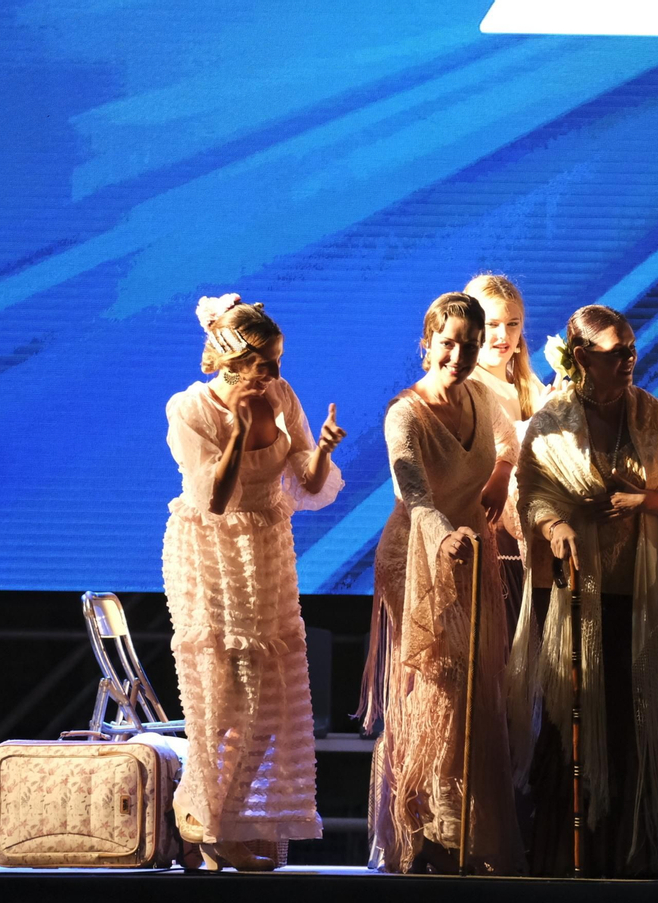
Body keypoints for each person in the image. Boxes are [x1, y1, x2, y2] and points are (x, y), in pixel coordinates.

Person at [509, 305, 658, 878]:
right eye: (614, 352)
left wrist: (645, 502)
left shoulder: (655, 418)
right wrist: (554, 524)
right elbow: (534, 487)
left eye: (630, 350)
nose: (627, 360)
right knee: (572, 724)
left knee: (635, 727)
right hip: (575, 597)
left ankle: (636, 853)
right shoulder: (553, 421)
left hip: (638, 601)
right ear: (580, 357)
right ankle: (569, 859)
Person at [162, 293, 345, 871]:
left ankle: (220, 825)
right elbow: (213, 500)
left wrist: (325, 451)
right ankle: (206, 826)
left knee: (265, 698)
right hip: (214, 555)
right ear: (230, 360)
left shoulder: (283, 396)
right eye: (264, 363)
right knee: (221, 697)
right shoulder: (191, 408)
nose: (274, 374)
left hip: (267, 553)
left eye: (278, 361)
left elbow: (306, 482)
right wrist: (240, 432)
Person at [358, 292, 524, 874]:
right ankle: (421, 828)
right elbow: (415, 492)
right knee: (439, 691)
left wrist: (502, 475)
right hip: (419, 558)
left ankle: (461, 833)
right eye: (448, 342)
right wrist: (443, 536)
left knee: (478, 689)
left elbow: (508, 442)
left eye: (469, 344)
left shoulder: (480, 395)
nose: (458, 354)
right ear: (426, 343)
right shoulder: (404, 413)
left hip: (471, 555)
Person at [463, 273, 551, 639]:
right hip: (492, 523)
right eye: (492, 325)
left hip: (527, 525)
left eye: (512, 325)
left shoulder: (527, 386)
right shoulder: (470, 386)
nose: (503, 336)